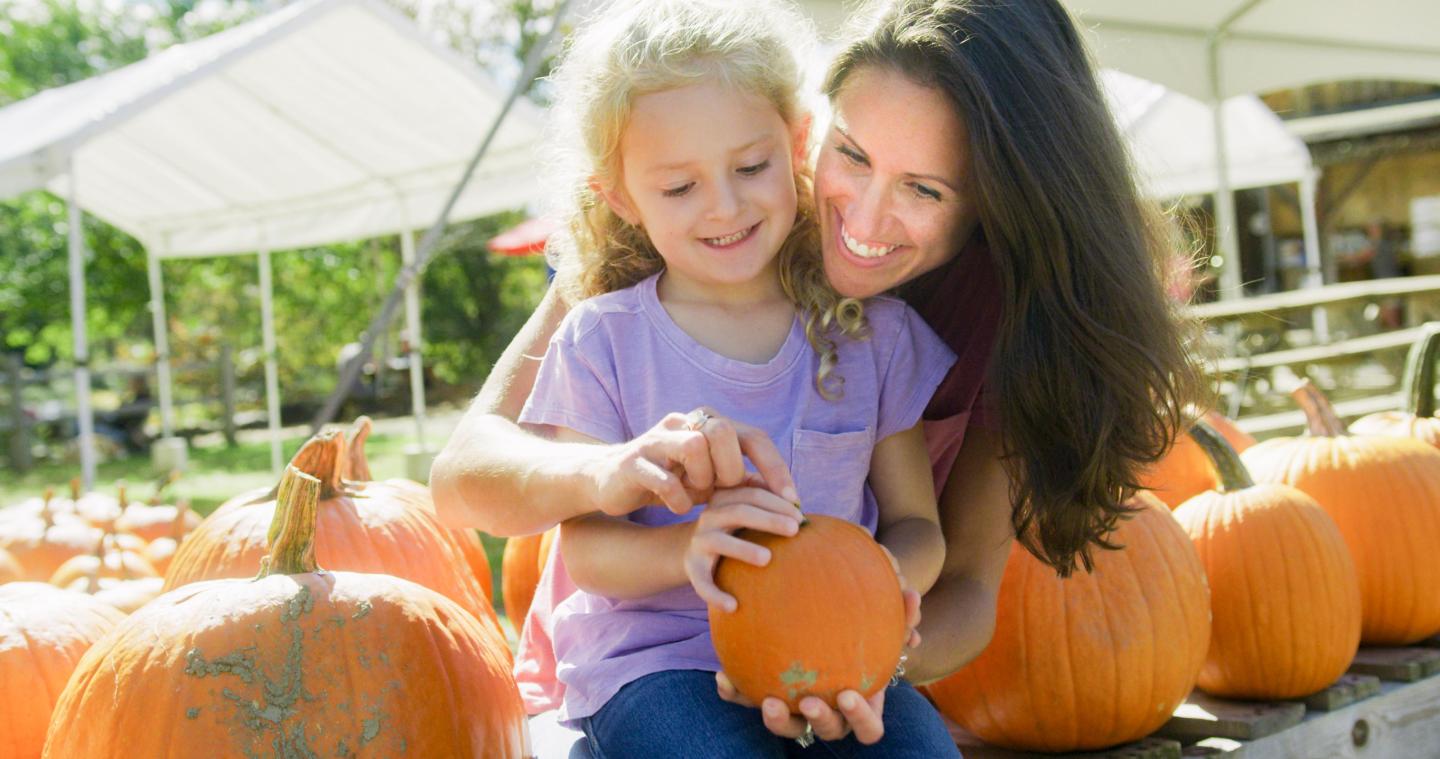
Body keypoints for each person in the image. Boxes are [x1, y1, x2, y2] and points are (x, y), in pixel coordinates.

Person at [432, 0, 1202, 746]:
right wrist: (614, 472)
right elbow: (469, 479)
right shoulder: (639, 278)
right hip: (647, 665)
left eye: (924, 189)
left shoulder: (934, 328)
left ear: (998, 205)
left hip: (851, 664)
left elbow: (958, 576)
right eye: (855, 155)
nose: (862, 222)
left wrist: (847, 655)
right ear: (817, 133)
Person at [504, 1, 961, 755]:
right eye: (679, 188)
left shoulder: (871, 332)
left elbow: (919, 527)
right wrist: (686, 550)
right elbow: (585, 549)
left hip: (840, 654)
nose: (724, 205)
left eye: (750, 167)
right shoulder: (601, 339)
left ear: (798, 143)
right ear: (620, 196)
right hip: (659, 664)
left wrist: (872, 585)